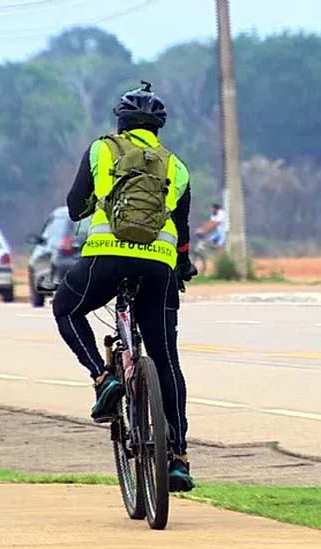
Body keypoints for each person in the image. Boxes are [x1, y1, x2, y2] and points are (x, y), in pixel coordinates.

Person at [53, 81, 198, 492]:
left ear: (121, 122)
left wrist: (95, 202)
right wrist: (182, 264)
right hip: (158, 267)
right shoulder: (177, 165)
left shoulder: (101, 150)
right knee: (166, 359)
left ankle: (103, 378)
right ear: (158, 128)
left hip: (105, 258)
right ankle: (179, 458)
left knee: (66, 309)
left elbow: (75, 203)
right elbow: (182, 229)